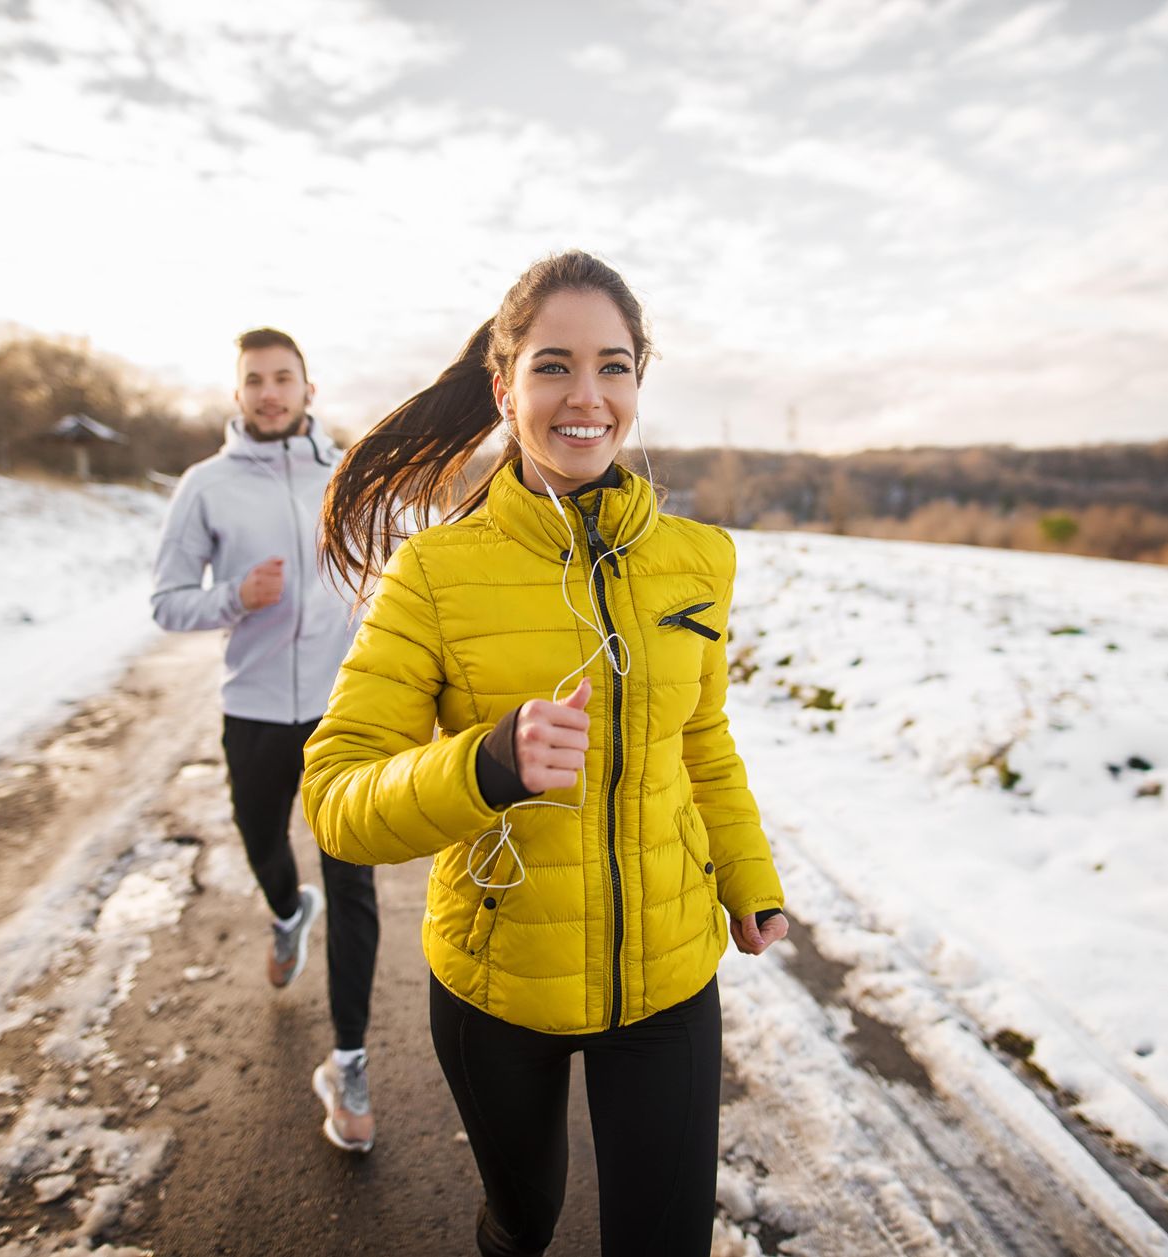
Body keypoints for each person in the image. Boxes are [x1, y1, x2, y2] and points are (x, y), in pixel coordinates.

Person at [303, 252, 788, 1255]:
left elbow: (700, 738)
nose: (587, 396)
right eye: (553, 365)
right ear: (504, 386)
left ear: (637, 385)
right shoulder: (433, 574)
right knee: (524, 1221)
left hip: (667, 977)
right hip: (499, 984)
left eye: (613, 367)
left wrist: (749, 875)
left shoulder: (699, 561)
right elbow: (338, 796)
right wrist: (486, 763)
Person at [151, 327, 379, 1153]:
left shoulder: (348, 476)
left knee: (354, 884)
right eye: (255, 380)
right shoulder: (204, 488)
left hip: (341, 714)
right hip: (250, 708)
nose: (271, 392)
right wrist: (234, 597)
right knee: (262, 846)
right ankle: (287, 913)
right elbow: (168, 600)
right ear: (238, 393)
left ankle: (349, 1063)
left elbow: (381, 572)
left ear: (309, 390)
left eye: (284, 378)